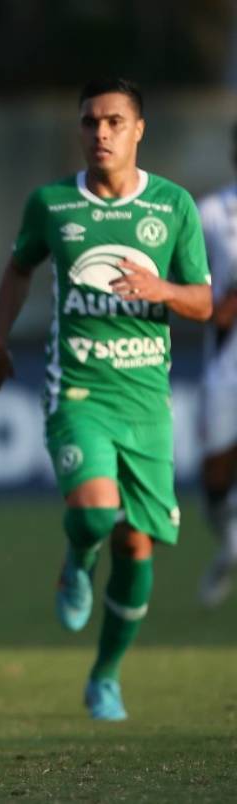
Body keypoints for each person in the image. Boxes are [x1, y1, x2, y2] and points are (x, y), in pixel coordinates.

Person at [0, 78, 212, 720]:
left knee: (137, 548)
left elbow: (206, 301)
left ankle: (105, 676)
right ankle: (76, 562)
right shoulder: (52, 204)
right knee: (98, 518)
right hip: (78, 389)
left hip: (147, 402)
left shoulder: (173, 205)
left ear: (138, 130)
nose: (99, 134)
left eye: (112, 122)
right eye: (88, 123)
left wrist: (160, 289)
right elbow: (20, 267)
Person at [195, 128, 237, 608]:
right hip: (225, 368)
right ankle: (230, 548)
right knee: (215, 477)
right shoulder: (210, 214)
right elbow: (189, 286)